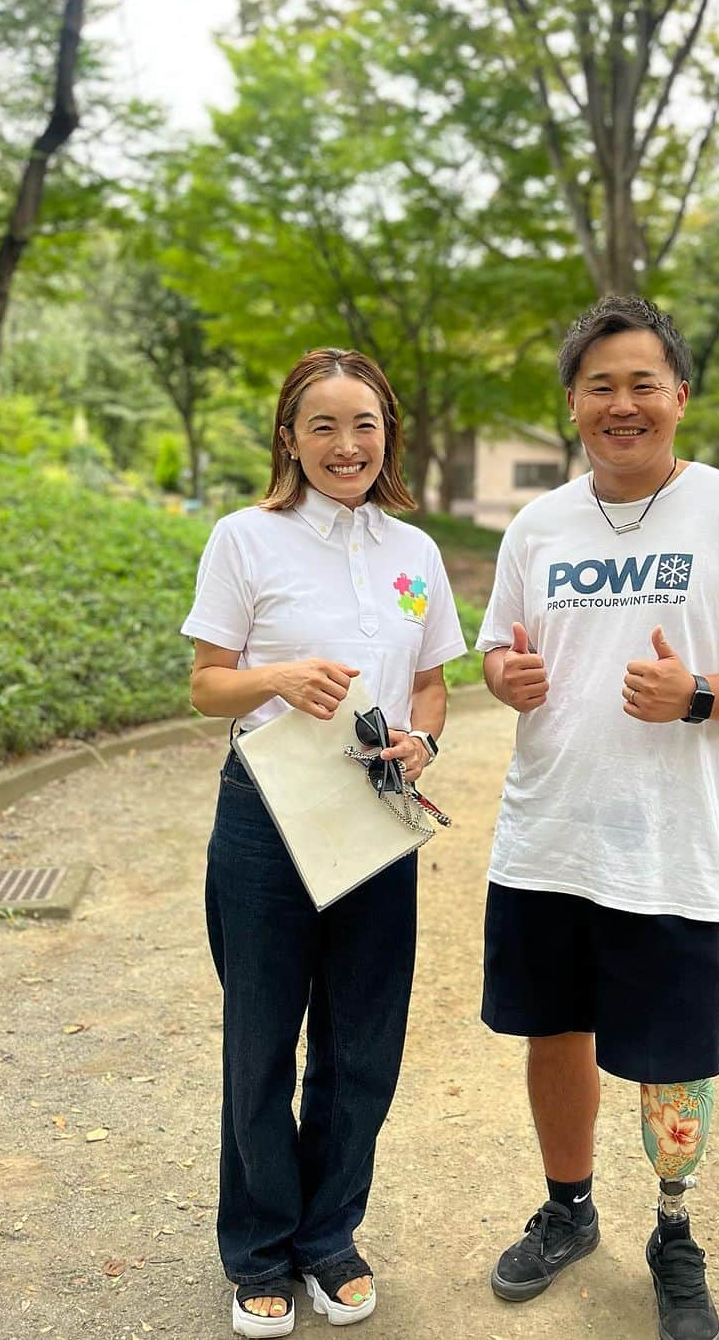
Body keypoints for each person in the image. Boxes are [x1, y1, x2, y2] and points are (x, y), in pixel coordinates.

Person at [475, 297, 719, 1340]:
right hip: (545, 837)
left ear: (678, 396)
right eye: (599, 385)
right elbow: (495, 648)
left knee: (670, 1051)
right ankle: (569, 1208)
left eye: (642, 383)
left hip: (670, 842)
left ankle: (674, 1231)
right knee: (555, 1029)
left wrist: (701, 695)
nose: (621, 404)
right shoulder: (538, 525)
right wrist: (508, 674)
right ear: (573, 403)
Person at [181, 348, 466, 1338]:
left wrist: (424, 736)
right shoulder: (244, 539)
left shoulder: (414, 554)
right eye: (324, 427)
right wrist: (281, 676)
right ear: (290, 438)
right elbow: (206, 683)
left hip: (375, 807)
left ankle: (329, 1238)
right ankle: (258, 1250)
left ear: (388, 434)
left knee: (360, 1041)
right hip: (267, 811)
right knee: (262, 1038)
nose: (347, 446)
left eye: (365, 425)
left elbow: (434, 678)